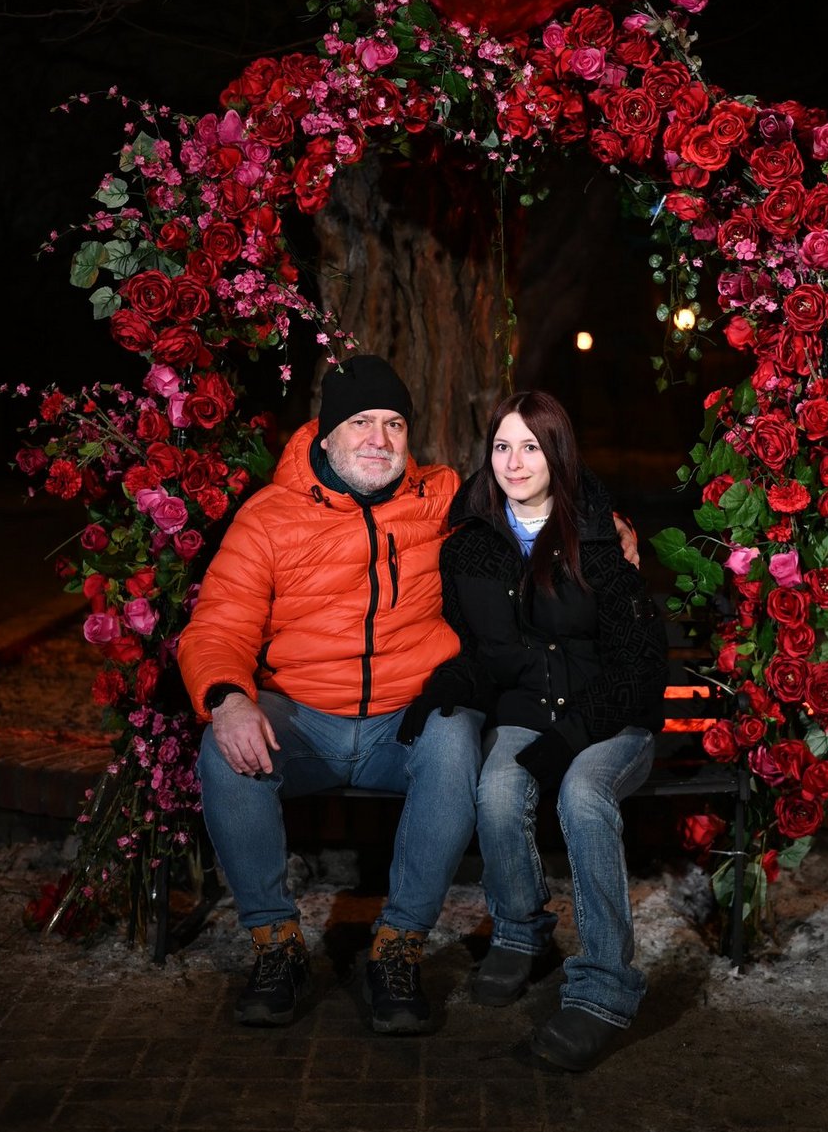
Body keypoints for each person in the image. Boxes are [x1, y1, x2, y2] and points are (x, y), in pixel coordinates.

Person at [176, 353, 486, 1035]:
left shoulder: (440, 498)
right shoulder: (268, 516)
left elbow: (530, 516)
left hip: (402, 721)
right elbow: (219, 623)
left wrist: (608, 530)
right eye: (361, 422)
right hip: (303, 719)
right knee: (223, 746)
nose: (379, 437)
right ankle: (276, 945)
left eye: (394, 423)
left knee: (457, 737)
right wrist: (228, 696)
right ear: (326, 435)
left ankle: (398, 946)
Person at [402, 389, 669, 1072]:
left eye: (530, 445)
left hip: (612, 718)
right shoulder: (473, 548)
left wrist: (573, 735)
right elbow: (484, 657)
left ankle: (605, 987)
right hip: (531, 713)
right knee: (497, 788)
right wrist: (443, 691)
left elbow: (640, 666)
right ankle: (521, 932)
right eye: (501, 446)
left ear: (557, 451)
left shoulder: (601, 534)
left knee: (581, 792)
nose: (514, 461)